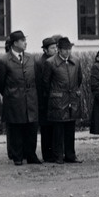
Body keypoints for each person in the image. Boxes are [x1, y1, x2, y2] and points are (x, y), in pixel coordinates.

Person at [0, 29, 42, 165]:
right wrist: (11, 94)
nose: (25, 43)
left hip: (31, 99)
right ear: (15, 43)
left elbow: (37, 79)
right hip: (14, 100)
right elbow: (0, 83)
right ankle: (17, 156)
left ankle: (31, 155)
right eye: (22, 40)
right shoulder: (4, 60)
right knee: (16, 128)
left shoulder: (31, 58)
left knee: (31, 128)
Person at [42, 36, 83, 164]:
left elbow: (79, 79)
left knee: (70, 127)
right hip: (58, 99)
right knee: (58, 129)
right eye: (65, 49)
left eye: (69, 49)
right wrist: (56, 94)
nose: (68, 52)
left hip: (72, 98)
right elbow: (46, 83)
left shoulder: (76, 61)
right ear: (59, 50)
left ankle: (70, 155)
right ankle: (58, 156)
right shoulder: (50, 62)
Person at [35, 35, 60, 163]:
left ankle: (53, 153)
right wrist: (45, 99)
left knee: (53, 127)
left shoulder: (55, 60)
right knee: (46, 128)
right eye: (52, 48)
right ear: (45, 50)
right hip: (45, 101)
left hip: (54, 99)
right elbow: (41, 84)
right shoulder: (41, 63)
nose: (55, 50)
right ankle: (47, 154)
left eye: (56, 47)